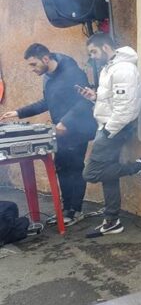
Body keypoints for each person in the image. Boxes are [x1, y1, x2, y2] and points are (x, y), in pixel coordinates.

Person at [1, 43, 96, 226]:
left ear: (45, 59)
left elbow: (84, 102)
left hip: (77, 129)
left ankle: (75, 211)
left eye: (33, 64)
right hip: (60, 132)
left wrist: (66, 121)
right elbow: (47, 101)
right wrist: (19, 112)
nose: (32, 69)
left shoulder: (72, 72)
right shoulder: (47, 76)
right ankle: (66, 209)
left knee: (74, 169)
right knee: (61, 168)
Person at [80, 33, 141, 235]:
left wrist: (107, 131)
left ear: (105, 48)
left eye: (93, 52)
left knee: (91, 173)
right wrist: (94, 97)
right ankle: (112, 221)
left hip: (114, 129)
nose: (92, 56)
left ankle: (139, 166)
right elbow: (113, 100)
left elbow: (126, 108)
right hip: (108, 125)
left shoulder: (124, 69)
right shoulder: (110, 68)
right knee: (107, 174)